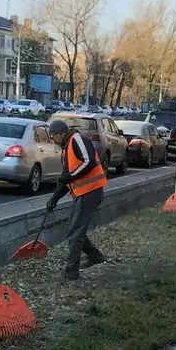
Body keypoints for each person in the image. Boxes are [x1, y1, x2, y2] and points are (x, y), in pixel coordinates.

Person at [46, 118, 108, 280]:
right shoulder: (67, 147)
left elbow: (87, 162)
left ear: (60, 133)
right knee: (74, 230)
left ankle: (71, 271)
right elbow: (66, 178)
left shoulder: (77, 139)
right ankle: (95, 256)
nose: (53, 140)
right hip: (83, 193)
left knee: (75, 232)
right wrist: (55, 198)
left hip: (91, 191)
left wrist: (70, 176)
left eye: (53, 137)